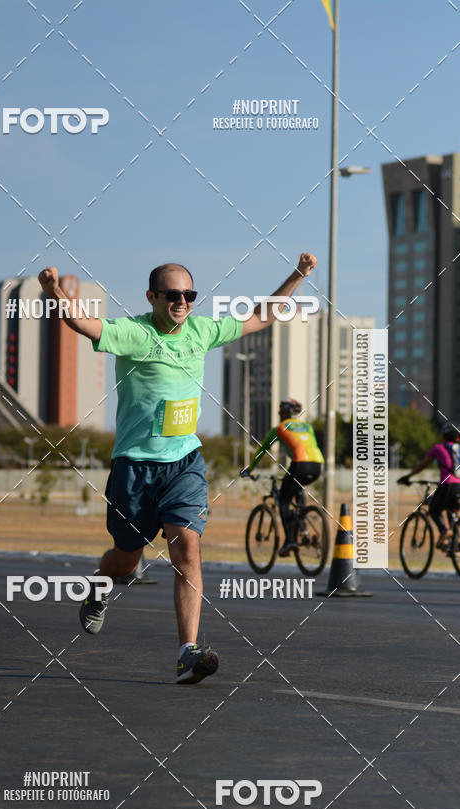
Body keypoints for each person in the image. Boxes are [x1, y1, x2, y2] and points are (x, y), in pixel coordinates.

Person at [38, 253, 317, 683]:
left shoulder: (202, 331)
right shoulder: (134, 332)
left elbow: (260, 317)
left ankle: (188, 651)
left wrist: (296, 276)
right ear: (152, 297)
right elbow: (83, 324)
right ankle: (98, 585)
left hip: (185, 463)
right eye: (172, 295)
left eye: (189, 294)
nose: (182, 302)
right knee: (126, 559)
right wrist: (55, 291)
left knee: (187, 547)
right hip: (135, 467)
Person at [241, 398, 324, 556]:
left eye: (280, 412)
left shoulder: (279, 429)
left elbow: (262, 450)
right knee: (297, 489)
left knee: (284, 500)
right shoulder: (308, 427)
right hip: (317, 465)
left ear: (284, 413)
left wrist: (249, 469)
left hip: (300, 464)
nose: (279, 414)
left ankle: (290, 540)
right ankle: (303, 528)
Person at [398, 423, 460, 549]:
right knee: (451, 508)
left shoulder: (439, 448)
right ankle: (454, 542)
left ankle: (444, 530)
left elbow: (422, 465)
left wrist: (408, 477)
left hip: (448, 485)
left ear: (444, 436)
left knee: (434, 510)